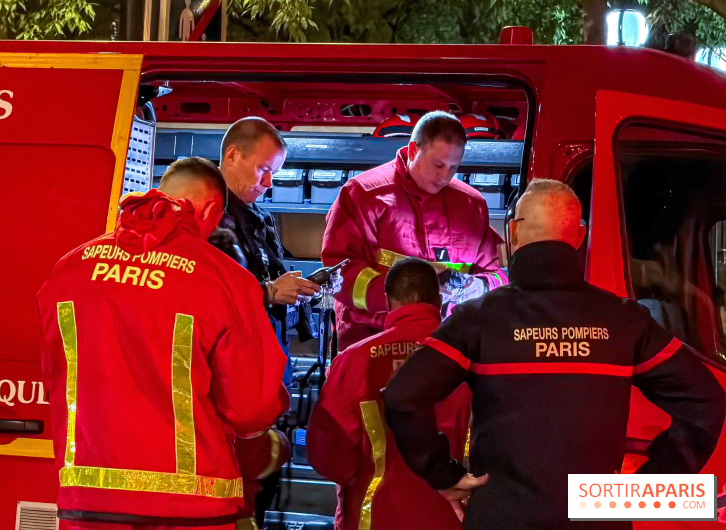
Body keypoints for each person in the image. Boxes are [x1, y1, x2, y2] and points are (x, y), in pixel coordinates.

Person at [383, 178, 726, 529]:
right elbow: (706, 401)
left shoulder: (478, 319)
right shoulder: (624, 320)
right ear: (579, 236)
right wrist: (640, 489)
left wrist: (444, 475)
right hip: (596, 517)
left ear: (513, 233)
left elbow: (402, 396)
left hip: (501, 515)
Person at [36, 157, 290, 529]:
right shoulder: (223, 280)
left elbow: (55, 373)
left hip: (86, 502)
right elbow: (252, 408)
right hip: (188, 510)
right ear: (210, 209)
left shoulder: (70, 268)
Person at [307, 258, 471, 530]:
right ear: (439, 300)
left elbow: (329, 455)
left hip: (376, 516)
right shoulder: (469, 356)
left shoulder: (353, 360)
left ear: (387, 301)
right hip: (457, 515)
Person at [321, 111, 507, 350]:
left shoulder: (472, 204)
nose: (444, 176)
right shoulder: (365, 195)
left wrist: (478, 287)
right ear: (412, 150)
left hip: (449, 343)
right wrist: (405, 296)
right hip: (373, 342)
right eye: (437, 164)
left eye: (454, 167)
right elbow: (340, 273)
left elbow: (497, 275)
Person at [217, 116, 324, 384]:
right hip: (226, 370)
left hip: (265, 361)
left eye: (273, 173)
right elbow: (202, 296)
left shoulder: (260, 218)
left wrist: (298, 289)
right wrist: (269, 293)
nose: (269, 183)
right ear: (232, 155)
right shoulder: (205, 216)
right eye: (263, 169)